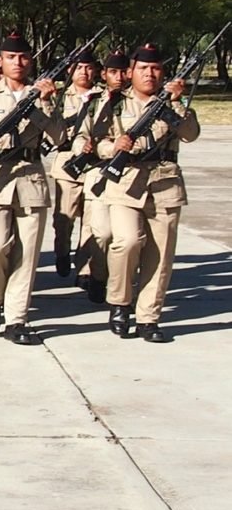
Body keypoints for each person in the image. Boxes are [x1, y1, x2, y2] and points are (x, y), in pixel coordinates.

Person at [75, 43, 199, 342]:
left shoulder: (174, 103)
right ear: (131, 72)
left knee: (160, 255)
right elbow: (91, 140)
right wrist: (112, 147)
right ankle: (120, 302)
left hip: (165, 183)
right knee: (127, 242)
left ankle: (148, 318)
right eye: (143, 68)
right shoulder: (113, 102)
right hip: (125, 183)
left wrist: (176, 104)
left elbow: (190, 134)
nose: (150, 74)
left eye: (155, 68)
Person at [0, 31, 64, 345]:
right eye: (11, 57)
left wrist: (46, 103)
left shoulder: (42, 95)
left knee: (27, 254)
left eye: (23, 57)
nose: (17, 62)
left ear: (31, 61)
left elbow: (60, 137)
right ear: (0, 61)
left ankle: (17, 319)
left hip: (30, 178)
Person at [72, 50, 131, 305]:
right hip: (99, 175)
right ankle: (97, 275)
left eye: (124, 71)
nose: (119, 77)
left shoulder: (141, 103)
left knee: (125, 239)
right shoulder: (94, 103)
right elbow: (79, 136)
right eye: (113, 72)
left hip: (130, 176)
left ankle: (118, 288)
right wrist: (83, 147)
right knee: (103, 234)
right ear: (104, 74)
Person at [49, 49, 103, 281]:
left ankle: (85, 270)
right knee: (64, 219)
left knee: (91, 221)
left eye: (89, 67)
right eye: (79, 67)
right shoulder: (59, 96)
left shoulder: (104, 96)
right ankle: (62, 251)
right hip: (67, 164)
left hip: (94, 164)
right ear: (70, 70)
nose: (84, 72)